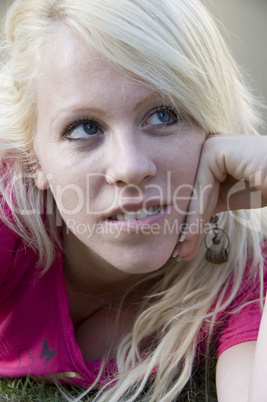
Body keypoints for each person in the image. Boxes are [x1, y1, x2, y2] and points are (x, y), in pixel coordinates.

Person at [0, 0, 267, 401]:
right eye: (84, 127)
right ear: (34, 159)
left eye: (163, 115)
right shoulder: (10, 219)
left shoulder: (237, 264)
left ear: (213, 124)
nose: (130, 167)